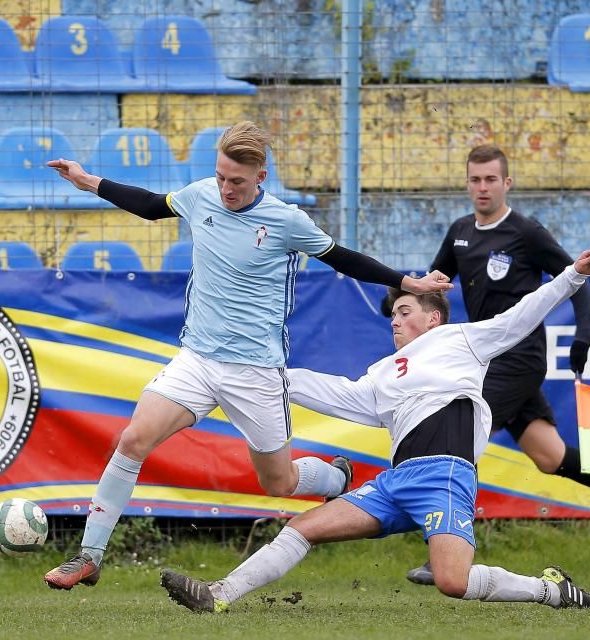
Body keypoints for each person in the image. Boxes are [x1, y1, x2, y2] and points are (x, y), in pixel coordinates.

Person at [42, 121, 453, 590]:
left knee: (278, 483)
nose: (226, 188)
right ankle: (89, 556)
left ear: (261, 175)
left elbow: (342, 258)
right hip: (197, 360)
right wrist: (87, 180)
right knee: (133, 440)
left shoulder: (286, 221)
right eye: (220, 177)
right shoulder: (201, 197)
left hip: (255, 371)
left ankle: (336, 481)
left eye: (236, 181)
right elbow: (153, 207)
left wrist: (410, 282)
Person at [160, 249, 590, 614]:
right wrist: (268, 379)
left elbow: (521, 316)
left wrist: (572, 274)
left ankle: (550, 590)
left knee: (452, 582)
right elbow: (335, 392)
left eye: (404, 310)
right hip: (395, 483)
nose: (394, 319)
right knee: (304, 527)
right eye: (392, 313)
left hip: (445, 475)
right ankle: (218, 594)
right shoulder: (381, 374)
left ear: (433, 318)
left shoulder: (461, 341)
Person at [405, 144, 590, 587]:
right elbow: (434, 283)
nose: (483, 187)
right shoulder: (460, 232)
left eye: (491, 179)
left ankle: (446, 549)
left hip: (521, 358)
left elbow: (577, 281)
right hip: (485, 358)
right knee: (550, 457)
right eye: (475, 179)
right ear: (467, 183)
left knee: (459, 433)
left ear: (507, 183)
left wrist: (583, 334)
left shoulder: (526, 233)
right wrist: (400, 298)